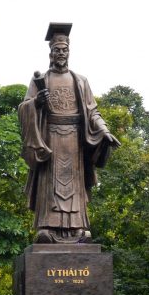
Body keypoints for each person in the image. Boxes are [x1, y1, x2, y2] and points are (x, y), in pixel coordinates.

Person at [18, 23, 120, 243]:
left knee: (74, 185)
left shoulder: (80, 81)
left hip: (75, 140)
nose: (61, 54)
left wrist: (104, 131)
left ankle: (78, 229)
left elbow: (92, 111)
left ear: (69, 53)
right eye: (57, 50)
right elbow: (24, 107)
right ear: (50, 53)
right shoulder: (41, 80)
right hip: (50, 138)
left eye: (64, 50)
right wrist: (37, 101)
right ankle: (47, 228)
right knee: (50, 184)